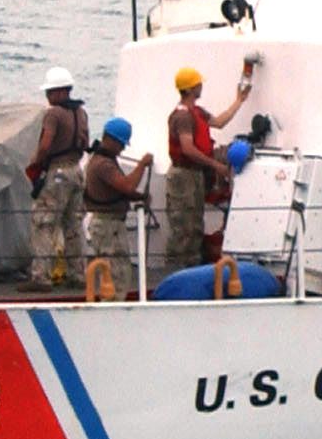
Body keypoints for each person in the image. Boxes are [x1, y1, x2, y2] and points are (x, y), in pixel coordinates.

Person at [164, 57, 257, 271]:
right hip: (183, 176)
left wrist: (239, 101)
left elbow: (220, 121)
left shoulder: (198, 112)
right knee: (184, 224)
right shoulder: (183, 117)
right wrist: (215, 166)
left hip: (194, 175)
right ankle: (177, 269)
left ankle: (192, 266)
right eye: (198, 83)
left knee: (195, 221)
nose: (201, 86)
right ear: (191, 88)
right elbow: (187, 148)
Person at [25, 66, 92, 289]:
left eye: (50, 91)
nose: (48, 96)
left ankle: (40, 277)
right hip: (76, 170)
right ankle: (78, 275)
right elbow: (85, 142)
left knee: (43, 224)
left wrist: (35, 164)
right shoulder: (80, 112)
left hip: (57, 173)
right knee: (73, 225)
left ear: (61, 91)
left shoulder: (53, 114)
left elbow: (45, 144)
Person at [82, 119, 154, 289]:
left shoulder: (101, 160)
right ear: (111, 140)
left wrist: (140, 197)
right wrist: (142, 165)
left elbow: (118, 191)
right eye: (121, 144)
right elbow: (127, 186)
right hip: (108, 226)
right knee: (116, 275)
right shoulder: (103, 165)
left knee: (116, 272)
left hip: (109, 225)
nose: (122, 148)